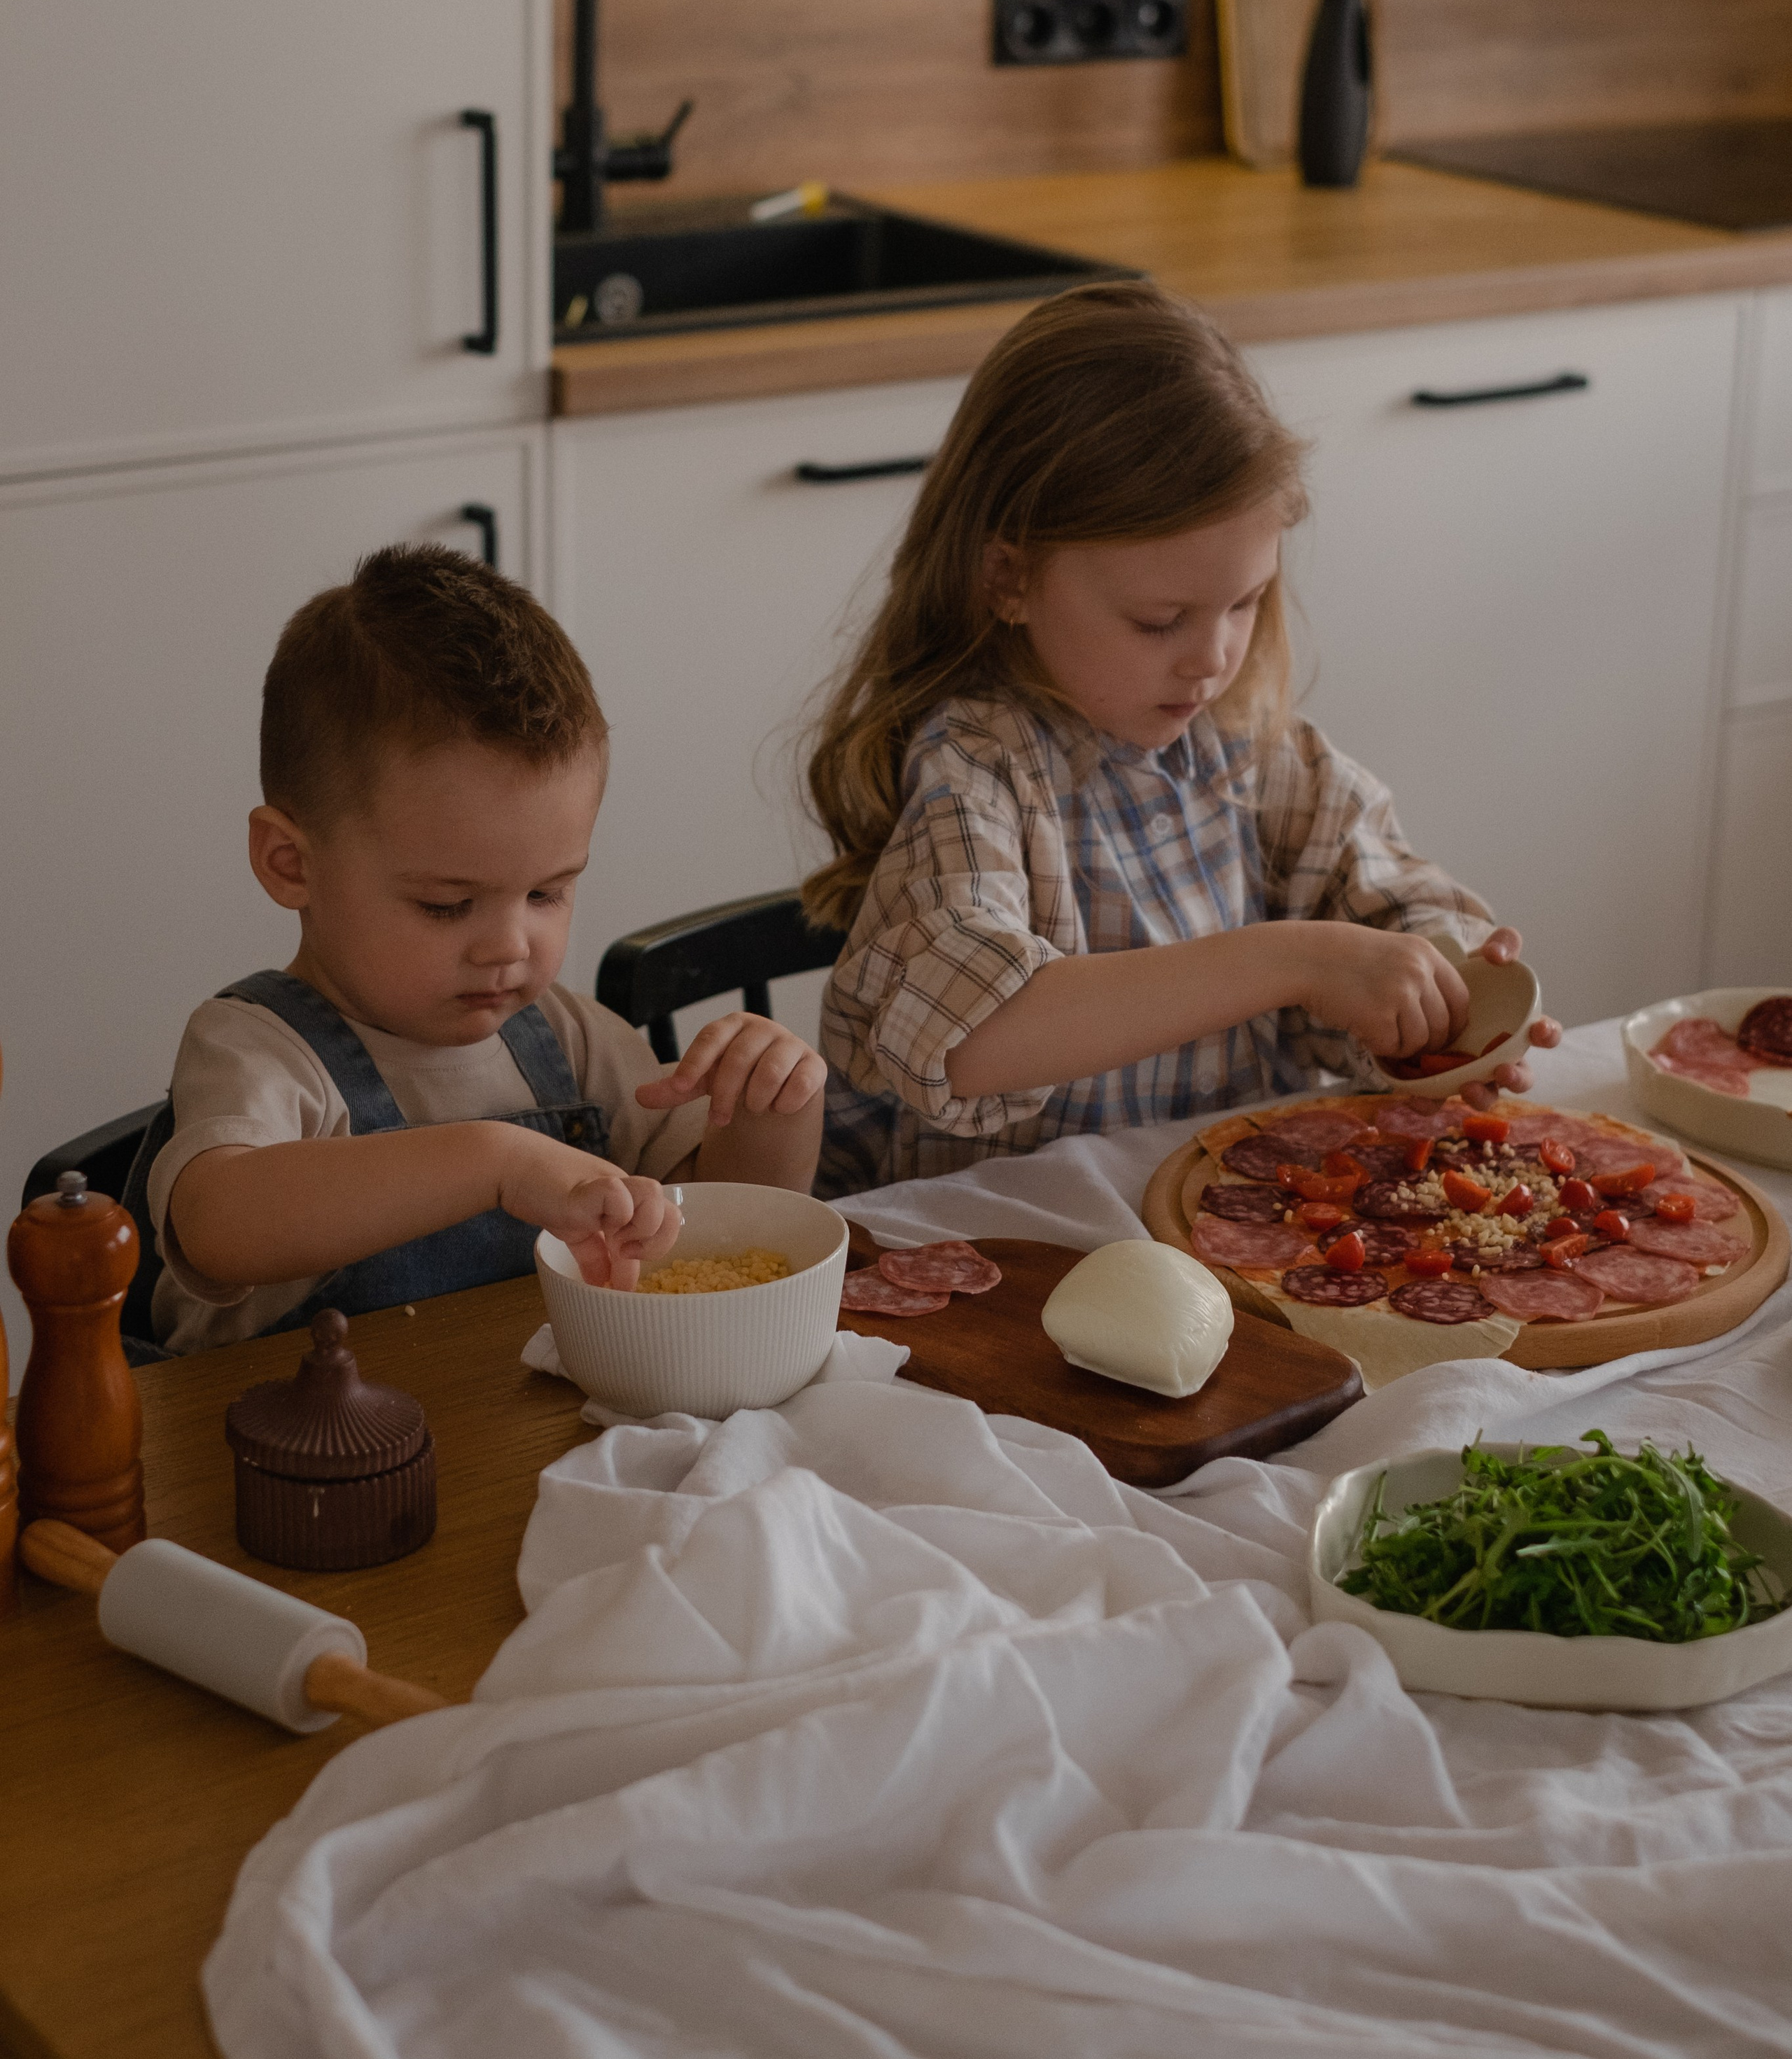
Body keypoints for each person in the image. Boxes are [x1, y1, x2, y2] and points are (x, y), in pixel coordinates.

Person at [804, 281, 1559, 1196]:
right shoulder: (978, 766)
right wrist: (1297, 960)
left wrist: (1440, 987)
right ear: (1008, 578)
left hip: (1229, 1227)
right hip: (1033, 1247)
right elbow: (971, 1038)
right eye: (1160, 620)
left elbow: (1385, 894)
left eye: (1245, 604)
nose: (1213, 659)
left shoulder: (1252, 749)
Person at [136, 545, 824, 1351]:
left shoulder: (568, 1039)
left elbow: (707, 1238)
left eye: (547, 893)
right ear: (292, 863)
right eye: (447, 905)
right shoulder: (257, 1050)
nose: (508, 946)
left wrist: (773, 1107)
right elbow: (219, 1224)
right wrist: (494, 1161)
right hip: (284, 1431)